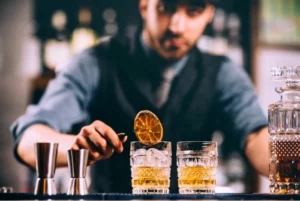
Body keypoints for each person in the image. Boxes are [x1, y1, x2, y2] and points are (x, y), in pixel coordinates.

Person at [11, 0, 269, 193]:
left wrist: (288, 158)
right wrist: (77, 147)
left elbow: (256, 136)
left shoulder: (223, 73)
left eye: (194, 10)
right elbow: (28, 139)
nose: (177, 26)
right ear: (145, 5)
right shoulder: (97, 62)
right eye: (166, 7)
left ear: (209, 14)